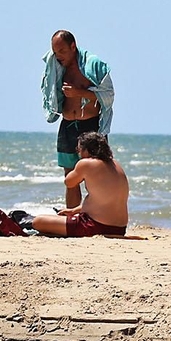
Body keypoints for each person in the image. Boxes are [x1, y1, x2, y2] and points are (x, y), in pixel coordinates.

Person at [41, 30, 114, 208]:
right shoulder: (57, 66)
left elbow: (108, 95)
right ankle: (72, 217)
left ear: (73, 46)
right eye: (55, 52)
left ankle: (97, 217)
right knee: (70, 178)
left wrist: (78, 92)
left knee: (95, 176)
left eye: (62, 52)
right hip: (67, 126)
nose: (58, 57)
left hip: (90, 126)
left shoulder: (93, 65)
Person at [31, 131, 129, 237]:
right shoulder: (116, 164)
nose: (78, 153)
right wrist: (73, 210)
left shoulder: (86, 163)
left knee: (38, 221)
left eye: (79, 149)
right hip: (119, 229)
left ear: (86, 149)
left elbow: (69, 182)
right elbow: (103, 201)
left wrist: (77, 167)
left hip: (95, 226)